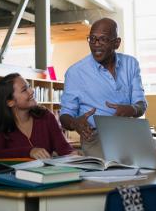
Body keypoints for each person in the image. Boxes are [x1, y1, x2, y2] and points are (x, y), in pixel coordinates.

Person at [60, 18, 147, 157]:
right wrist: (74, 123)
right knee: (125, 159)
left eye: (103, 39)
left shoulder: (131, 64)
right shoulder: (75, 72)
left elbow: (141, 105)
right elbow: (64, 116)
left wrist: (132, 109)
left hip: (130, 133)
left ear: (116, 43)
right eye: (92, 39)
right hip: (95, 138)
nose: (96, 45)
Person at [0, 73, 76, 159]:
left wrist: (73, 154)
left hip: (46, 176)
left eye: (29, 86)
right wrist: (29, 151)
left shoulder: (46, 116)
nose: (31, 91)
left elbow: (63, 147)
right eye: (24, 90)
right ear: (10, 102)